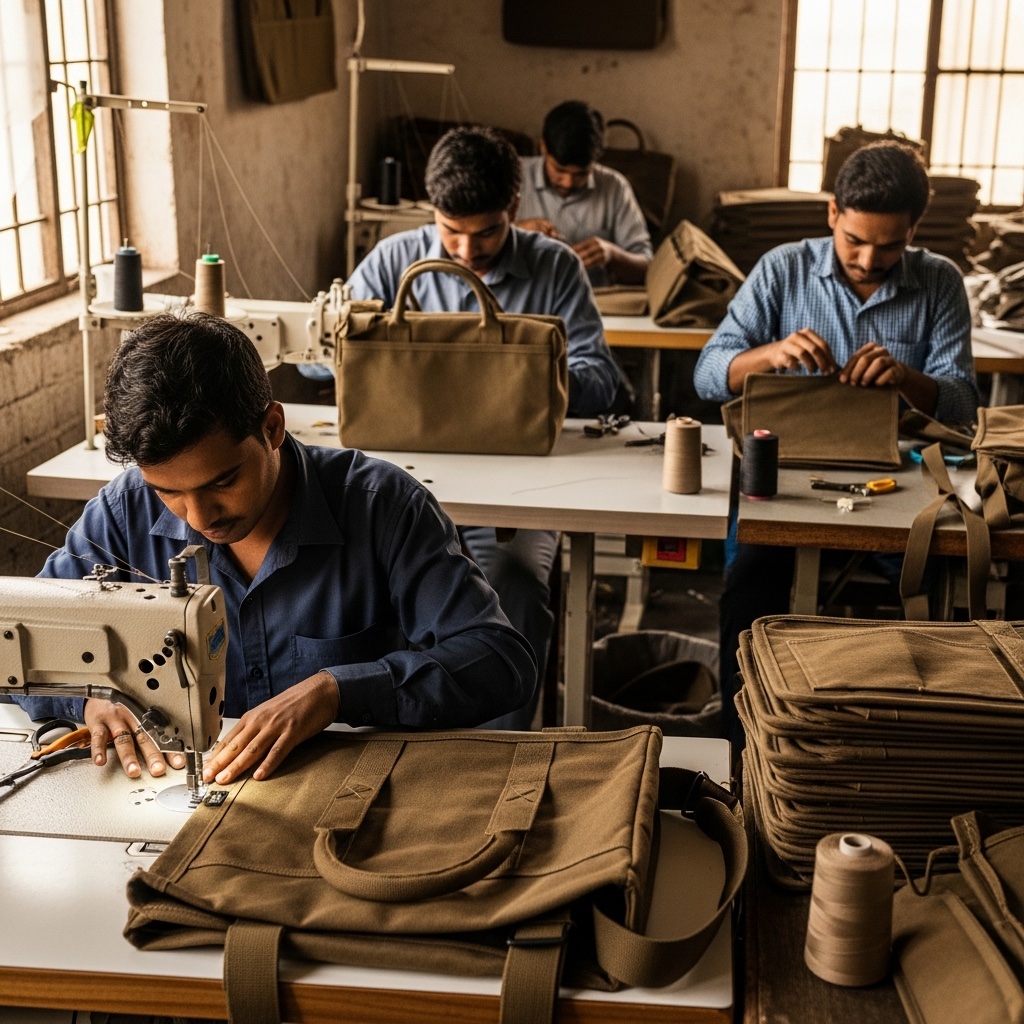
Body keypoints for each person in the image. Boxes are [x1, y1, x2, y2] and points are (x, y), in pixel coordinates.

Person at [14, 313, 537, 784]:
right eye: (168, 491)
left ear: (272, 427)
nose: (199, 518)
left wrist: (337, 692)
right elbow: (16, 646)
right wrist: (85, 699)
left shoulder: (383, 508)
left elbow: (500, 663)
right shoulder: (125, 511)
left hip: (352, 795)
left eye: (222, 482)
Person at [693, 139, 979, 749]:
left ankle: (897, 753)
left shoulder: (939, 282)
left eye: (890, 245)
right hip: (784, 479)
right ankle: (745, 757)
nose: (871, 259)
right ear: (832, 214)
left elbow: (961, 407)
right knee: (749, 595)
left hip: (899, 488)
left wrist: (908, 379)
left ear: (915, 231)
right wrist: (767, 355)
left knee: (942, 598)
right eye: (855, 240)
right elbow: (708, 372)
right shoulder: (782, 269)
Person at [339, 124, 620, 728]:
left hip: (518, 497)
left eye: (486, 232)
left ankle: (500, 764)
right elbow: (324, 358)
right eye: (451, 234)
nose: (466, 253)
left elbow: (600, 379)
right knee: (360, 596)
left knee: (513, 587)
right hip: (401, 491)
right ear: (430, 213)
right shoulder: (393, 261)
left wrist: (519, 370)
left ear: (514, 208)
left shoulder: (554, 268)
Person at [516, 100, 654, 288]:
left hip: (594, 303)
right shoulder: (513, 175)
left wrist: (612, 254)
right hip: (523, 301)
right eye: (559, 170)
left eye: (581, 174)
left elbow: (647, 267)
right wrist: (513, 233)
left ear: (596, 159)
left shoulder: (615, 187)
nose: (568, 182)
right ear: (543, 147)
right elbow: (468, 244)